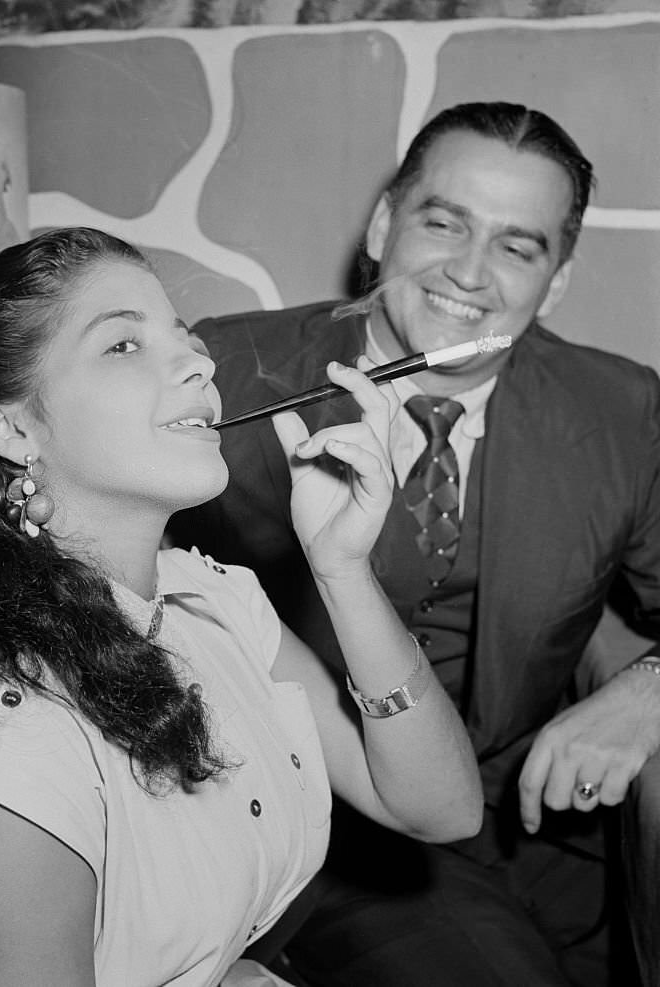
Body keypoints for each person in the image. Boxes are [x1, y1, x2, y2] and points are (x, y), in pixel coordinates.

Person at [0, 227, 481, 987]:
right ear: (12, 427)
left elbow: (441, 808)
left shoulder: (206, 599)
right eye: (122, 345)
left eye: (182, 337)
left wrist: (343, 570)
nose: (200, 361)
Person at [168, 102, 660, 986]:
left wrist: (648, 686)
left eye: (518, 246)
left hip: (546, 819)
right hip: (336, 828)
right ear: (385, 223)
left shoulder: (620, 411)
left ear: (555, 281)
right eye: (444, 222)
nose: (469, 272)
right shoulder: (227, 374)